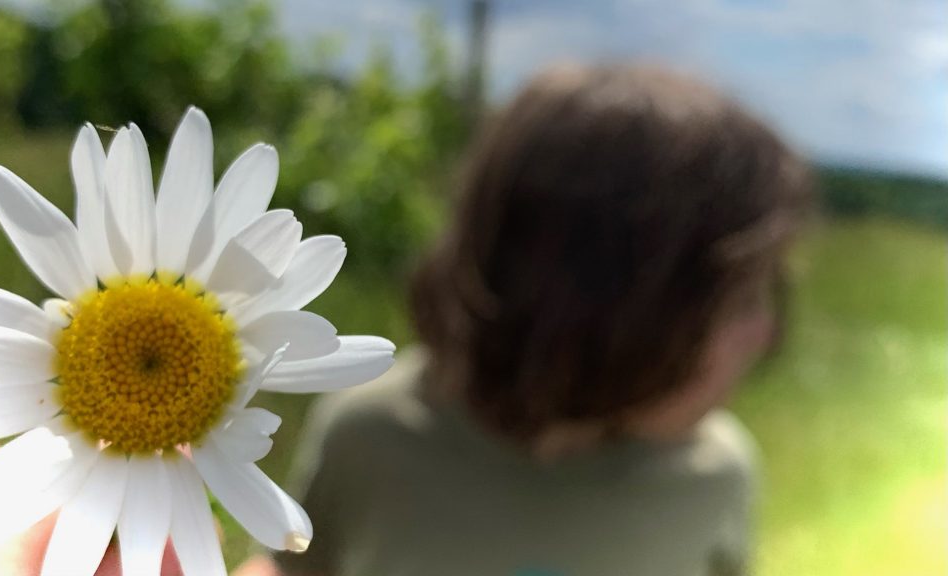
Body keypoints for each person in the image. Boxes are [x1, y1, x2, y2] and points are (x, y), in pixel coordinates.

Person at [262, 63, 812, 576]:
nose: (766, 334)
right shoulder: (371, 436)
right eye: (738, 304)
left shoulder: (714, 476)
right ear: (592, 308)